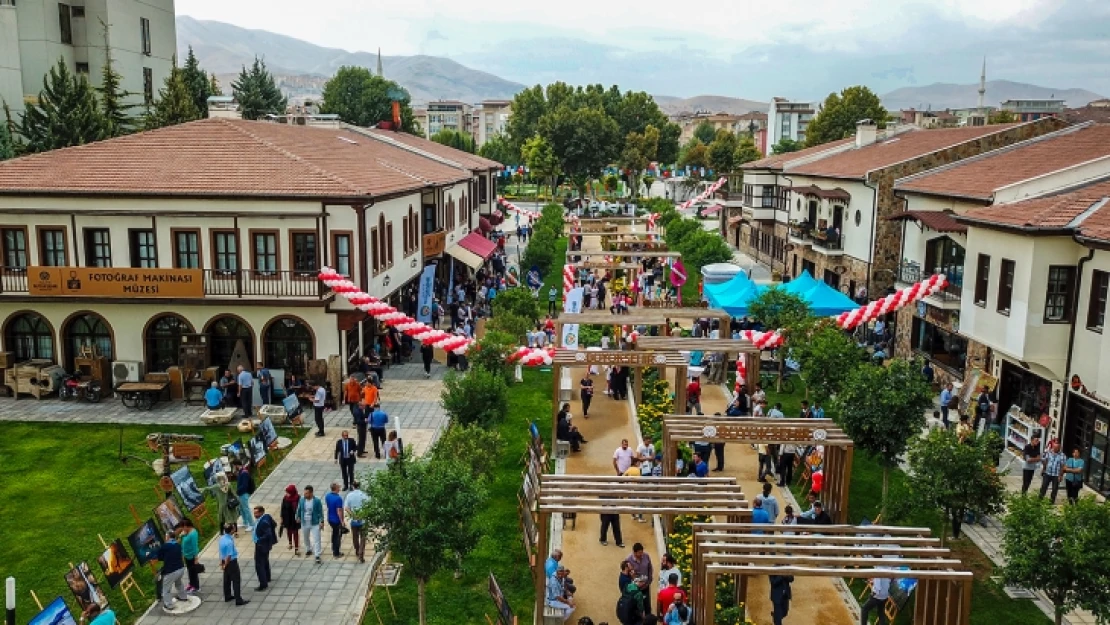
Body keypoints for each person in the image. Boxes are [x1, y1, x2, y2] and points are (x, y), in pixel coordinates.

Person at [156, 528, 188, 611]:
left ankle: (169, 605)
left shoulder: (165, 546)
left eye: (166, 536)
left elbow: (160, 557)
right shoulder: (177, 545)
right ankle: (183, 596)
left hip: (171, 571)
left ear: (167, 537)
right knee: (178, 583)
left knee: (165, 589)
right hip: (181, 568)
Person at [218, 523, 249, 606]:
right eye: (234, 528)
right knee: (236, 580)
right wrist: (225, 565)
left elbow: (221, 552)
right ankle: (238, 600)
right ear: (232, 530)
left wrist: (221, 562)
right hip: (231, 562)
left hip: (224, 561)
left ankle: (227, 596)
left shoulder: (222, 538)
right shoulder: (229, 542)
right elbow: (229, 555)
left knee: (227, 579)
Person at [251, 506, 278, 591]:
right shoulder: (267, 516)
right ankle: (267, 577)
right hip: (265, 545)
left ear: (261, 512)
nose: (255, 514)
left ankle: (263, 584)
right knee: (265, 561)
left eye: (256, 513)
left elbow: (268, 534)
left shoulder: (263, 522)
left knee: (259, 564)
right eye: (254, 512)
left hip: (261, 545)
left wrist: (259, 540)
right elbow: (274, 524)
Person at [297, 485, 325, 564]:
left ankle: (317, 555)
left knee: (317, 539)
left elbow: (320, 512)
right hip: (304, 522)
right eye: (304, 493)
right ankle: (308, 549)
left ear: (311, 493)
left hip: (314, 523)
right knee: (306, 537)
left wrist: (321, 521)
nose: (305, 495)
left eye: (306, 493)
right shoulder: (302, 500)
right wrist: (298, 516)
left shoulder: (317, 501)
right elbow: (299, 509)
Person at [345, 480, 369, 562]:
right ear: (360, 486)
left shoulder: (349, 495)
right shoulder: (364, 495)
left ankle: (357, 551)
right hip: (363, 520)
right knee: (363, 538)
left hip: (354, 521)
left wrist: (353, 515)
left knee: (355, 537)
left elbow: (346, 508)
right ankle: (361, 554)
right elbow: (369, 506)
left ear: (352, 486)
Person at [1039, 440, 1065, 504]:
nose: (1055, 449)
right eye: (1054, 447)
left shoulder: (1062, 455)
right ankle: (1039, 500)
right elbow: (1045, 461)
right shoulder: (1048, 452)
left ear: (1059, 448)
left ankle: (1051, 501)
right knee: (1044, 487)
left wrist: (1060, 475)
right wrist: (1043, 468)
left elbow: (1062, 466)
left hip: (1056, 474)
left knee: (1054, 489)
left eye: (1057, 447)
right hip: (1048, 473)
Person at [178, 518, 200, 593]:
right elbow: (180, 541)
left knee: (193, 571)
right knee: (189, 571)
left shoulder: (193, 534)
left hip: (192, 556)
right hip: (186, 555)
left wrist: (196, 558)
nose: (182, 529)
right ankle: (191, 584)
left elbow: (194, 546)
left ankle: (196, 586)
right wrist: (181, 535)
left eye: (183, 527)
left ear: (186, 526)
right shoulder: (186, 532)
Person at [325, 482, 346, 559]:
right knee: (338, 536)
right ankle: (336, 553)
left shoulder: (328, 496)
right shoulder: (338, 499)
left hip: (330, 518)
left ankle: (333, 548)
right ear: (336, 488)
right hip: (336, 520)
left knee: (334, 534)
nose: (340, 488)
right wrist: (342, 521)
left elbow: (328, 506)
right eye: (338, 487)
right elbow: (339, 511)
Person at [279, 484, 302, 555]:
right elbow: (282, 508)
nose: (287, 494)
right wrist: (281, 517)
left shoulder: (298, 498)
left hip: (295, 518)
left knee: (295, 532)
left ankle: (296, 548)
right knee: (288, 531)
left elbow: (300, 508)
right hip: (287, 518)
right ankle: (290, 543)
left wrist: (299, 517)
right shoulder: (285, 498)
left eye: (288, 492)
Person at [234, 462, 255, 532]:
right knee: (241, 508)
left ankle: (252, 524)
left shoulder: (244, 473)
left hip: (243, 494)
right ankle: (245, 522)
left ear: (237, 465)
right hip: (240, 493)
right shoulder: (240, 472)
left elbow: (244, 485)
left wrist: (237, 491)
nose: (234, 467)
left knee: (246, 508)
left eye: (234, 466)